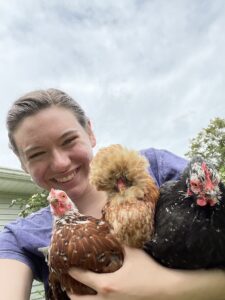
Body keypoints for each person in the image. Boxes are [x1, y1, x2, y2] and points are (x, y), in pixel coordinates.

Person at [0, 88, 224, 300]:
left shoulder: (151, 169)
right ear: (23, 165)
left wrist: (163, 290)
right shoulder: (21, 236)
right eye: (37, 154)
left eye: (69, 141)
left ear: (90, 132)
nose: (60, 163)